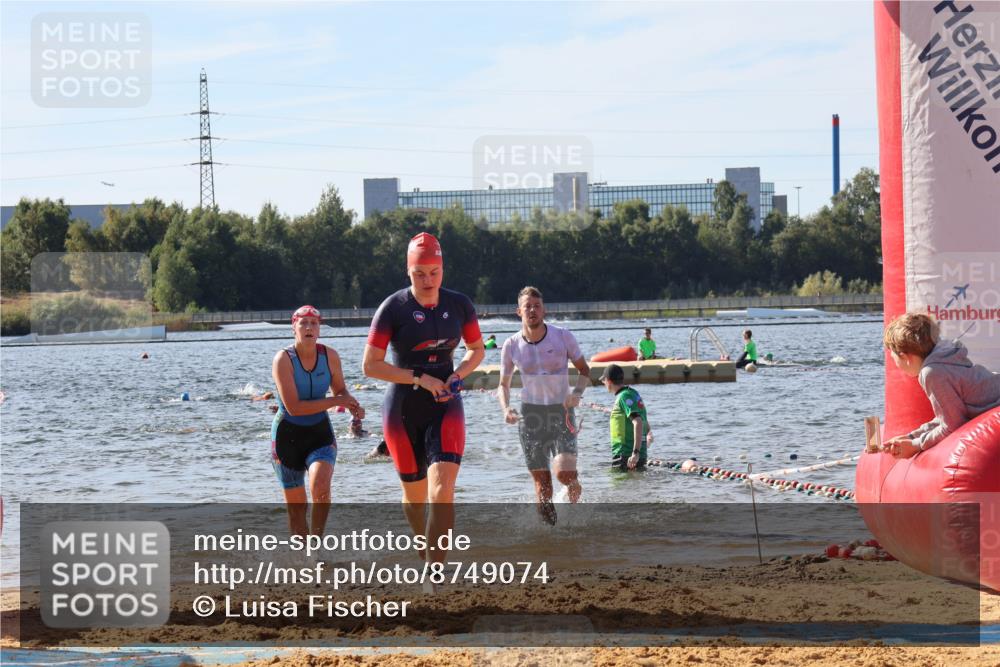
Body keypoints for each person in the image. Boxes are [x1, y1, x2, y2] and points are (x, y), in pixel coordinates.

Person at [362, 232, 485, 585]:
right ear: (408, 271)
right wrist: (419, 378)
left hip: (446, 404)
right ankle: (425, 551)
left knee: (442, 491)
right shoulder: (393, 307)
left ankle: (435, 575)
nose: (428, 281)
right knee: (415, 499)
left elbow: (476, 350)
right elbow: (370, 365)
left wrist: (458, 376)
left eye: (434, 272)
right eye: (420, 274)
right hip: (402, 409)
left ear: (442, 269)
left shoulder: (460, 304)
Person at [498, 286, 590, 525]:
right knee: (542, 488)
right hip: (530, 416)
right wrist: (506, 408)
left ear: (544, 310)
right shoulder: (511, 345)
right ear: (519, 311)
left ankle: (574, 486)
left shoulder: (562, 336)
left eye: (537, 306)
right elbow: (503, 385)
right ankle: (552, 539)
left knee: (564, 473)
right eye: (527, 306)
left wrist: (577, 393)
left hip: (561, 412)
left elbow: (584, 370)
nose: (532, 310)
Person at [271, 305, 363, 536]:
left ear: (320, 329)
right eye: (303, 323)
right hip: (287, 437)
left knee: (320, 487)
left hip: (319, 434)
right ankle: (302, 562)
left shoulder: (329, 356)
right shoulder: (283, 359)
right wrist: (336, 401)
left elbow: (340, 389)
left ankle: (316, 546)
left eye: (314, 323)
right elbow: (294, 408)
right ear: (294, 327)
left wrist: (353, 407)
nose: (309, 328)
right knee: (297, 511)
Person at [882, 312, 1000, 459]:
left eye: (893, 356)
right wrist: (911, 437)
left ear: (906, 357)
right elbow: (948, 417)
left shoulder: (932, 373)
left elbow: (953, 425)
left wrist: (916, 445)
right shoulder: (942, 359)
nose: (895, 364)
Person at [600, 364, 652, 471]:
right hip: (637, 456)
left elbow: (638, 421)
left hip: (625, 455)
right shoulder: (633, 393)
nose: (604, 384)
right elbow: (644, 422)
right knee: (633, 486)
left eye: (604, 381)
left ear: (609, 381)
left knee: (618, 485)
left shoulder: (623, 396)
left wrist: (635, 453)